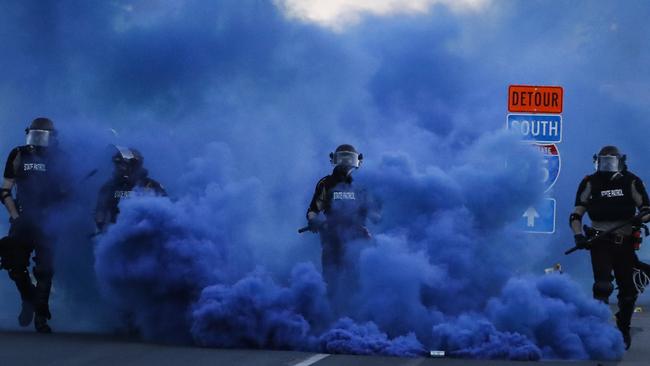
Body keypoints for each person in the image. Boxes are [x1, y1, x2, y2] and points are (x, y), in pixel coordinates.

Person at [570, 145, 650, 349]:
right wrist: (578, 236)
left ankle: (623, 328)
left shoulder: (631, 181)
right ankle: (598, 331)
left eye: (611, 161)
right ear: (597, 161)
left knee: (628, 291)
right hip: (599, 241)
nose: (607, 165)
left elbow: (647, 209)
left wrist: (640, 217)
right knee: (602, 286)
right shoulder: (590, 182)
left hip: (625, 242)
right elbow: (576, 214)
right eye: (603, 161)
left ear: (621, 161)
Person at [0, 117, 68, 333]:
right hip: (23, 219)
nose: (37, 140)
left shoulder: (61, 159)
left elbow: (68, 194)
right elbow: (5, 191)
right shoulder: (19, 154)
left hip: (47, 222)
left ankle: (41, 316)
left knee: (44, 270)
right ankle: (28, 299)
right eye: (34, 134)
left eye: (43, 135)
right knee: (15, 265)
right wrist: (15, 215)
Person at [305, 144, 377, 302]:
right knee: (331, 277)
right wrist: (313, 221)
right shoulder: (326, 184)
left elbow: (372, 214)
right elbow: (313, 210)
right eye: (341, 158)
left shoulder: (360, 188)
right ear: (334, 160)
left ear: (358, 161)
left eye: (349, 158)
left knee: (358, 277)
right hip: (332, 235)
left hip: (356, 238)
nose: (345, 163)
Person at [94, 145, 166, 232]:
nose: (120, 169)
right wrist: (100, 229)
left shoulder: (152, 186)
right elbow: (100, 212)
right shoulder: (108, 188)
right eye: (118, 165)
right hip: (118, 236)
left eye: (124, 165)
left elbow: (165, 214)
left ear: (135, 167)